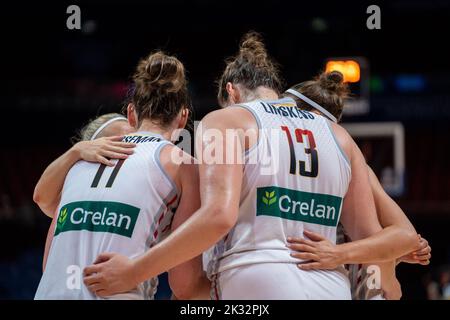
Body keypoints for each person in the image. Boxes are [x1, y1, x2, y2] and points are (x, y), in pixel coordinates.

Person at [83, 32, 419, 299]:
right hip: (331, 287)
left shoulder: (227, 120)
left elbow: (218, 216)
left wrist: (135, 271)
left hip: (253, 279)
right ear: (275, 88)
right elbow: (375, 245)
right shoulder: (339, 136)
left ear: (231, 92)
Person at [34, 51, 208, 299]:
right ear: (183, 118)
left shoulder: (79, 164)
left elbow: (49, 264)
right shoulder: (184, 165)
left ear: (131, 113)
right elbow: (185, 283)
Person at [279, 71, 431, 299]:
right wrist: (393, 255)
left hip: (355, 287)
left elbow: (404, 236)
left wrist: (386, 276)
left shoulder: (349, 163)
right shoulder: (276, 159)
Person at [34, 113, 136, 270]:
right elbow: (41, 197)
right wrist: (76, 151)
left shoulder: (138, 183)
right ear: (96, 146)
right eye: (124, 140)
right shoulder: (76, 184)